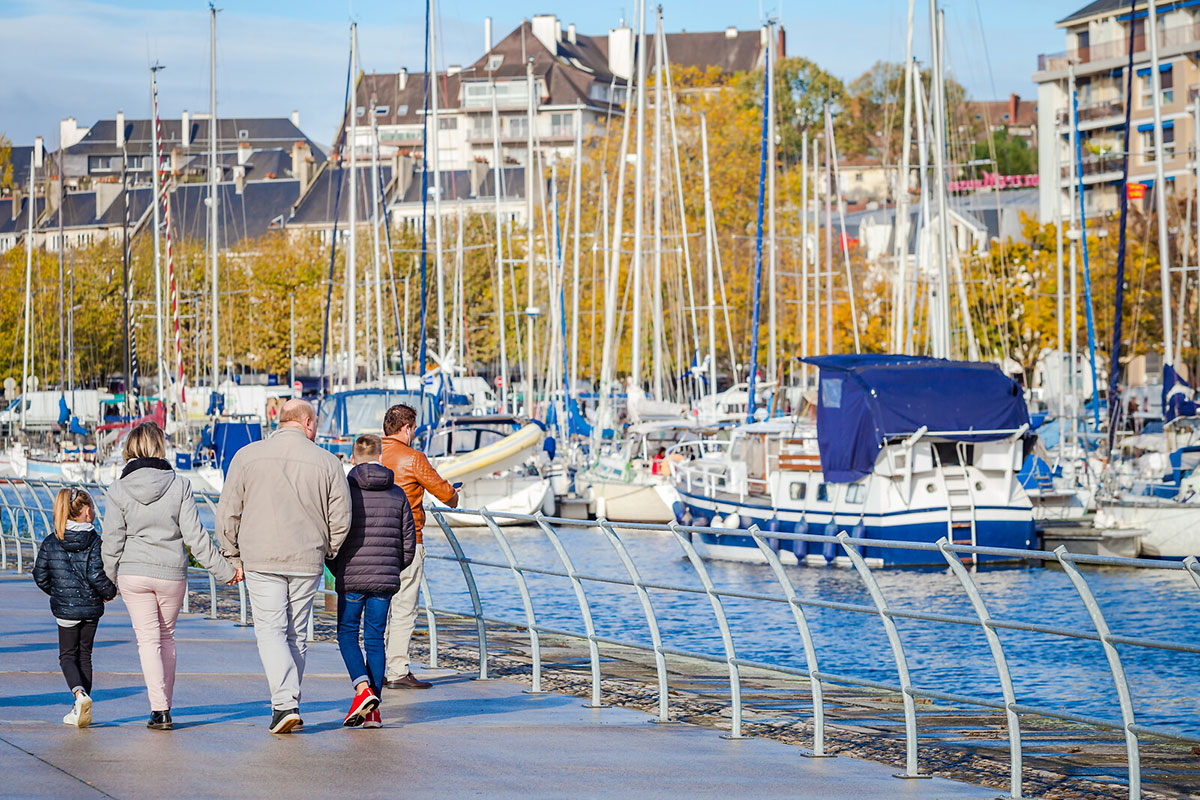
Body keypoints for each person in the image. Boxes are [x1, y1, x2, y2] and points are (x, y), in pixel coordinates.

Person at [217, 398, 351, 734]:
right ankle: (288, 701)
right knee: (297, 634)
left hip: (260, 556)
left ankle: (285, 704)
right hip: (308, 558)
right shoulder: (328, 463)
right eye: (316, 424)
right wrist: (329, 550)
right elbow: (342, 518)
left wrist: (232, 556)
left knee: (270, 630)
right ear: (307, 423)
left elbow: (227, 512)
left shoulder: (247, 456)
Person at [102, 421, 239, 731]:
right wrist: (224, 571)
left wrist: (105, 581)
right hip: (171, 574)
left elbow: (112, 542)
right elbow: (196, 537)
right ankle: (165, 705)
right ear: (159, 447)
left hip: (134, 573)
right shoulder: (179, 485)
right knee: (167, 639)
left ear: (130, 449)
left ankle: (159, 709)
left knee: (148, 641)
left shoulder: (118, 489)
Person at [327, 434, 417, 729]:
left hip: (351, 576)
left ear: (352, 459)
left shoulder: (344, 492)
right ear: (381, 457)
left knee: (347, 635)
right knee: (376, 640)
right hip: (385, 580)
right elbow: (408, 543)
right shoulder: (398, 494)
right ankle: (373, 713)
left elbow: (332, 535)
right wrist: (393, 567)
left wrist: (337, 567)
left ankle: (362, 690)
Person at [379, 403, 458, 689]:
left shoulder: (377, 453)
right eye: (413, 428)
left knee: (379, 607)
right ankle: (397, 670)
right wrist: (454, 494)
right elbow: (445, 493)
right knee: (403, 609)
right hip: (408, 539)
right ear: (407, 428)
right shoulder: (413, 458)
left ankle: (377, 666)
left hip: (375, 542)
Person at [33, 487, 117, 728]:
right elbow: (96, 574)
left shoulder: (51, 541)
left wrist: (59, 593)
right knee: (85, 656)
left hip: (65, 611)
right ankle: (81, 705)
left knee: (67, 656)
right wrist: (109, 592)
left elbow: (40, 575)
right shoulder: (94, 541)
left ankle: (79, 696)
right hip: (91, 608)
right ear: (88, 511)